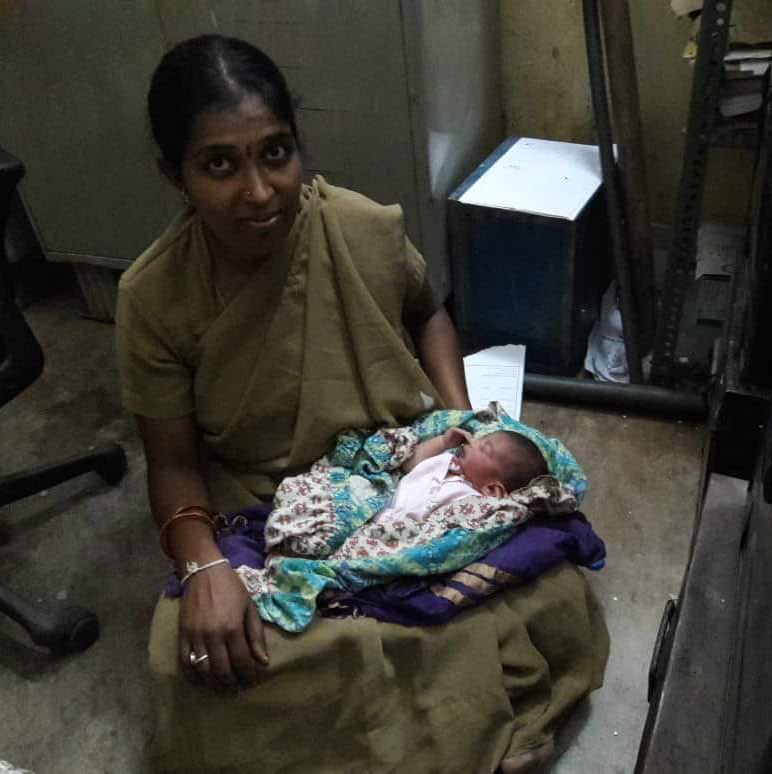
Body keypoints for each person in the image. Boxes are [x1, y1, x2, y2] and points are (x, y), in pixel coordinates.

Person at [116, 34, 607, 774]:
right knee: (189, 656)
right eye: (221, 163)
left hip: (405, 464)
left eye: (275, 153)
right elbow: (174, 464)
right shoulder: (152, 298)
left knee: (552, 577)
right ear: (173, 175)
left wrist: (457, 419)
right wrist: (203, 570)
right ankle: (467, 727)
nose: (258, 191)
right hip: (272, 502)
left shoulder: (362, 228)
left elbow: (429, 311)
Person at [269, 426, 550, 559]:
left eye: (485, 448)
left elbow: (446, 533)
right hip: (374, 502)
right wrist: (442, 441)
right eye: (482, 438)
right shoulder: (448, 460)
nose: (474, 442)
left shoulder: (471, 501)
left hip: (393, 534)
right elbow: (410, 463)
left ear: (492, 489)